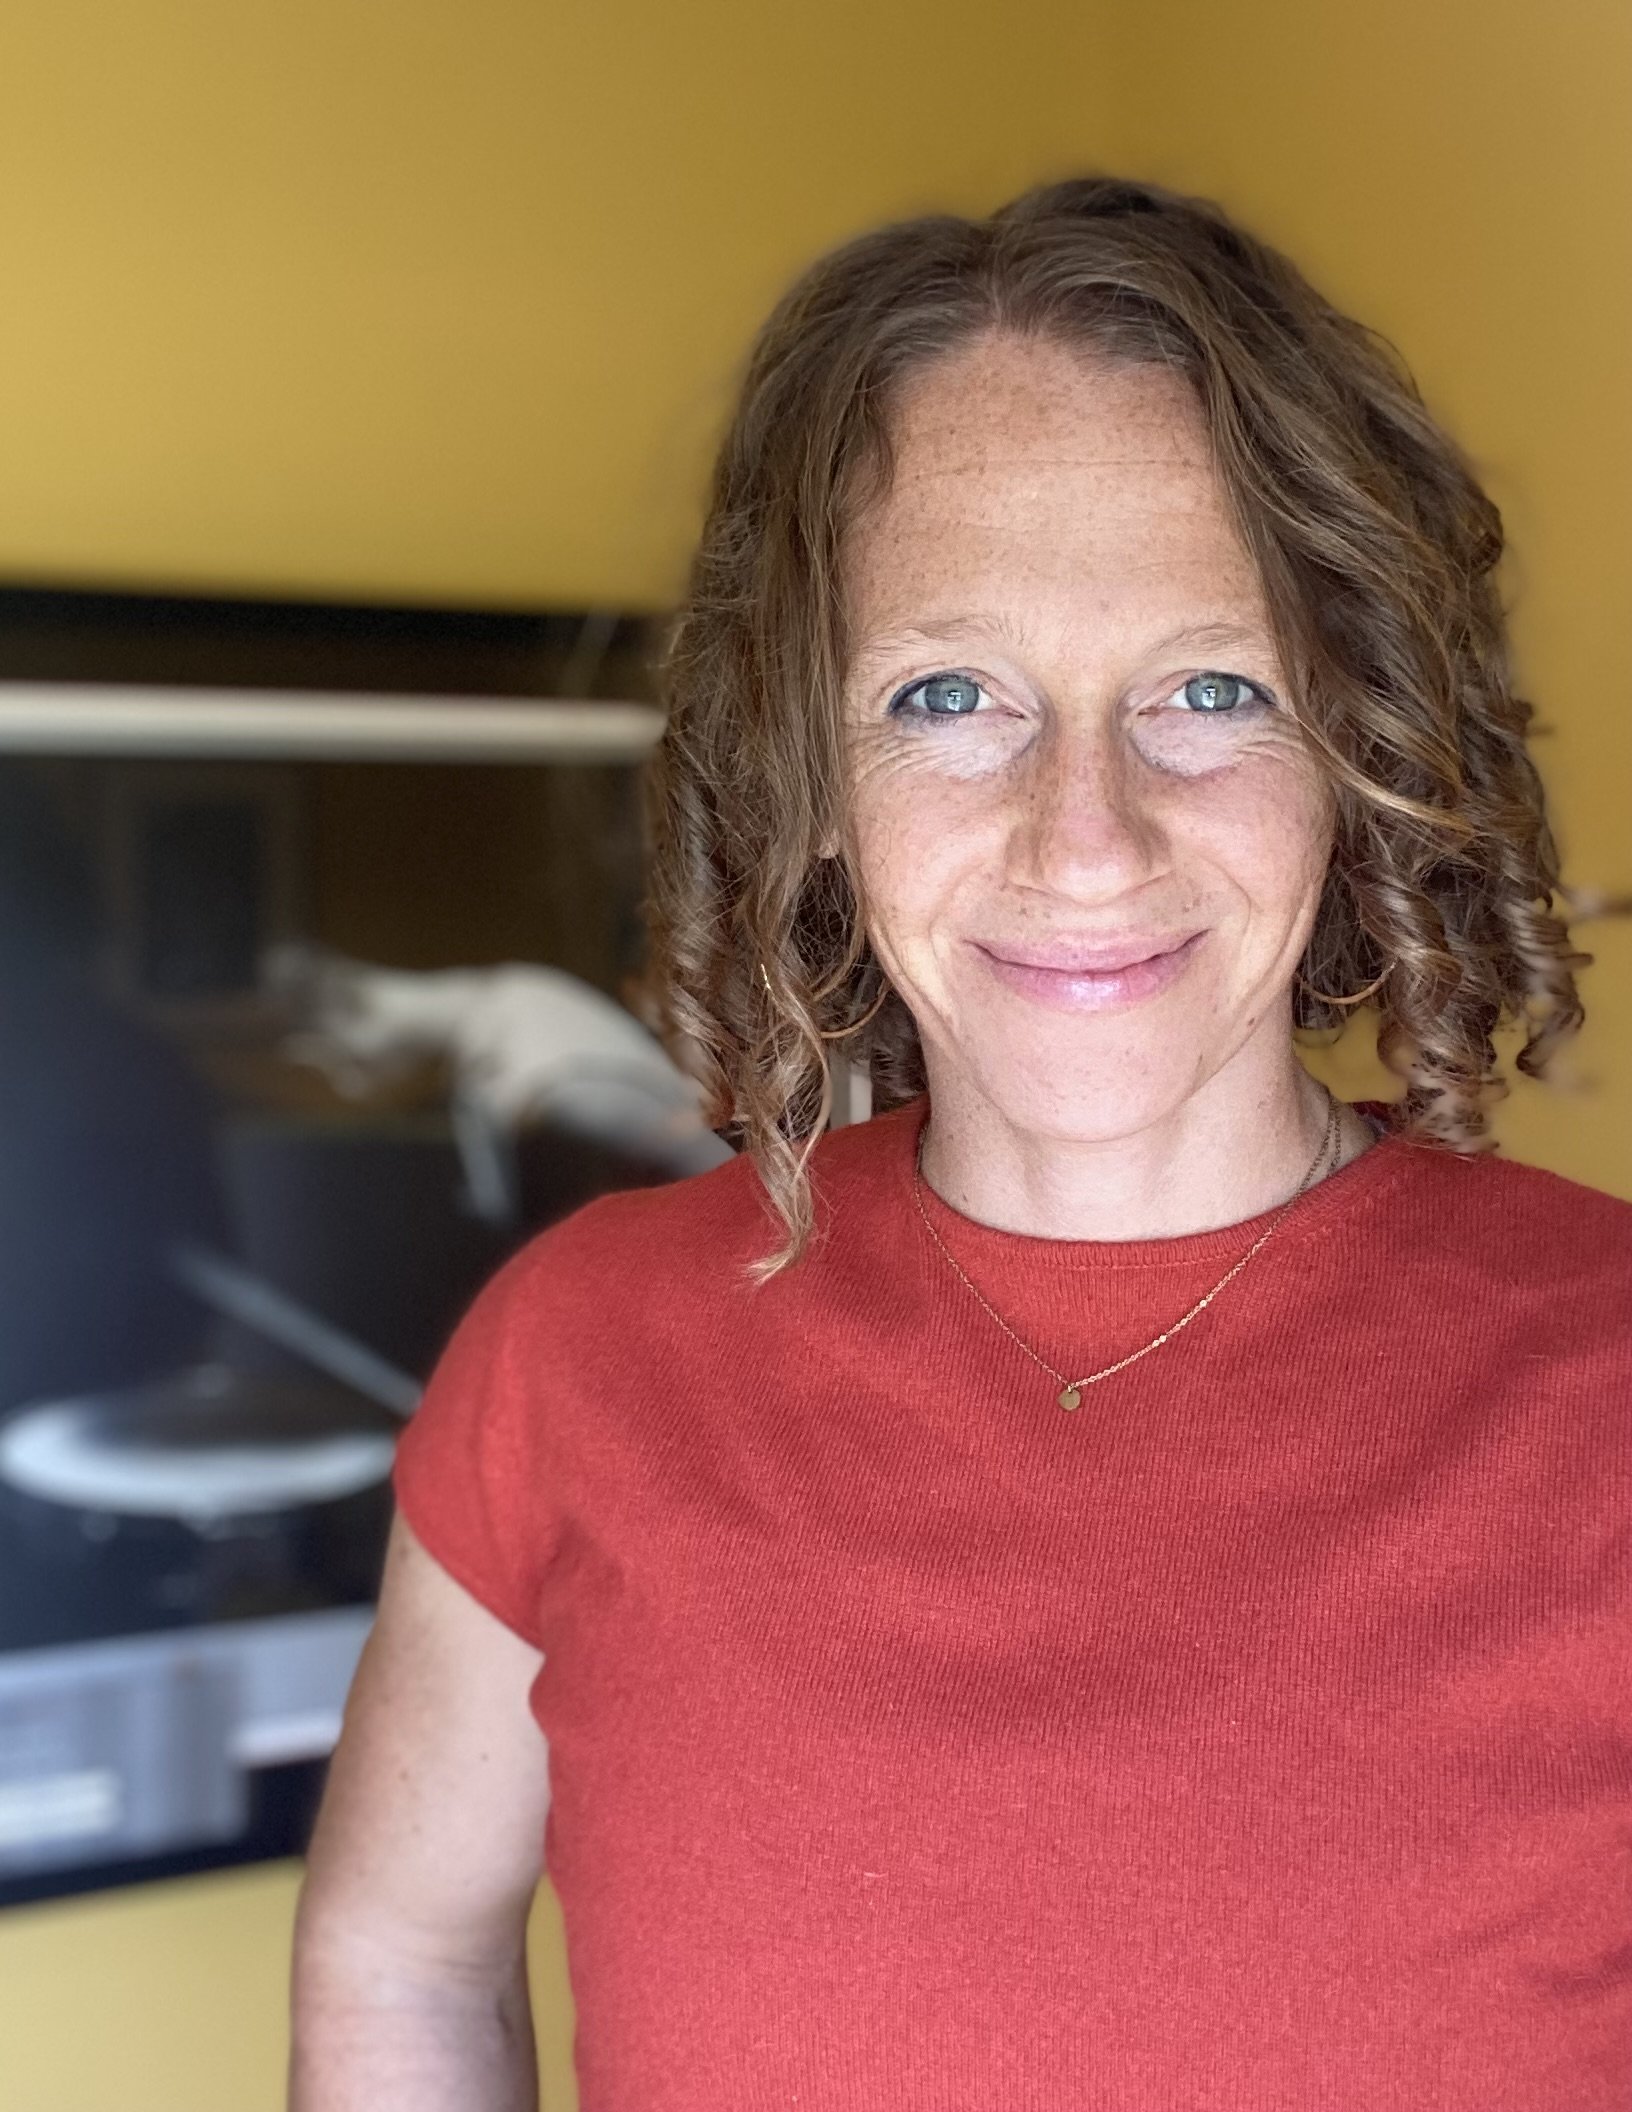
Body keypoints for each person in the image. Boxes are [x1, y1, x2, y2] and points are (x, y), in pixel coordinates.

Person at [289, 175, 1632, 2111]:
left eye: (1209, 689)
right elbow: (404, 1963)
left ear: (1359, 742)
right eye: (949, 694)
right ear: (813, 772)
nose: (1085, 835)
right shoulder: (576, 1365)